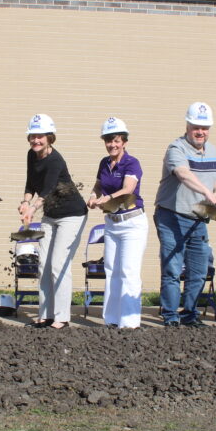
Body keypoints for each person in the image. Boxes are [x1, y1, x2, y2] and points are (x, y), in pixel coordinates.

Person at [154, 102, 216, 328]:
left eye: (205, 127)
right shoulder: (176, 148)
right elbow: (183, 174)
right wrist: (205, 191)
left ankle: (190, 314)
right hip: (172, 216)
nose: (200, 132)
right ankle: (171, 316)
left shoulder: (212, 151)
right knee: (173, 268)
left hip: (199, 220)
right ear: (187, 125)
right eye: (196, 127)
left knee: (198, 270)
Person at [20, 114, 88, 329]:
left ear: (50, 137)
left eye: (40, 136)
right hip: (50, 215)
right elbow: (31, 183)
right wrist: (24, 202)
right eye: (32, 136)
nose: (35, 141)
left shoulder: (55, 160)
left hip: (72, 215)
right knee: (44, 264)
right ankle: (45, 315)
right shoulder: (32, 155)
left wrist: (31, 209)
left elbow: (48, 189)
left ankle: (61, 317)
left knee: (59, 264)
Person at [87, 117, 148, 329]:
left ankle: (130, 323)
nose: (112, 144)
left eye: (116, 140)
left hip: (132, 223)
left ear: (124, 141)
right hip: (112, 223)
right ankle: (111, 319)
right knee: (111, 270)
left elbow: (128, 189)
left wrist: (107, 198)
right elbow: (97, 185)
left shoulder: (132, 163)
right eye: (108, 140)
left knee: (128, 271)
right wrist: (93, 196)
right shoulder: (104, 163)